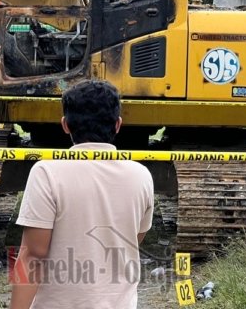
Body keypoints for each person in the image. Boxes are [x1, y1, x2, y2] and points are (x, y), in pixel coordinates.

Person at [10, 80, 154, 309]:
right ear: (117, 125)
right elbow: (134, 238)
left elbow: (33, 257)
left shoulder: (47, 172)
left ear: (65, 125)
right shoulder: (142, 175)